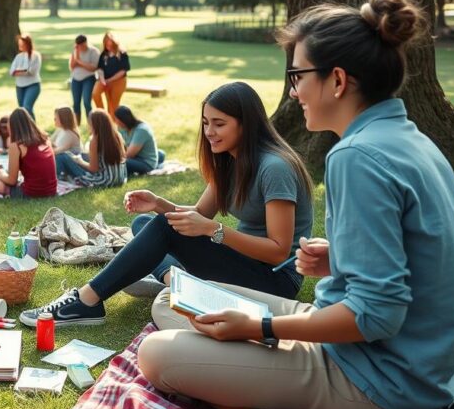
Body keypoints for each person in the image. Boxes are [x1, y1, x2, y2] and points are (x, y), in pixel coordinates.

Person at [135, 0, 454, 409]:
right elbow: (420, 258)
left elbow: (376, 317)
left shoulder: (358, 157)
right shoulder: (411, 139)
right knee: (174, 299)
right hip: (383, 349)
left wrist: (260, 328)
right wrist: (338, 258)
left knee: (156, 355)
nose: (293, 92)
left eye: (297, 76)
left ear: (336, 80)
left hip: (382, 378)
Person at [21, 81, 314, 327]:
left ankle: (87, 301)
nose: (209, 131)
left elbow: (277, 252)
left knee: (161, 230)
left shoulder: (275, 168)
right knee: (145, 223)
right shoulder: (231, 160)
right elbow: (198, 216)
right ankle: (174, 278)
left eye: (219, 124)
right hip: (245, 263)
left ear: (246, 125)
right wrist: (159, 203)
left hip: (274, 281)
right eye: (206, 123)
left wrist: (214, 230)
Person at [0, 108, 57, 198]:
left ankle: (8, 192)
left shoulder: (16, 146)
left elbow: (11, 181)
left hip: (31, 193)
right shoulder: (45, 139)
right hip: (52, 190)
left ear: (12, 127)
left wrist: (0, 174)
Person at [54, 110, 127, 188]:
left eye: (89, 124)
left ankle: (59, 180)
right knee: (80, 155)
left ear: (94, 124)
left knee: (62, 156)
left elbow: (93, 169)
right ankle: (62, 177)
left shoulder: (95, 140)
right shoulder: (117, 135)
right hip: (119, 179)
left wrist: (80, 161)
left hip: (102, 181)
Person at [113, 105, 162, 175]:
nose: (115, 122)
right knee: (118, 161)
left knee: (120, 162)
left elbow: (129, 155)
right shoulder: (122, 128)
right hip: (136, 158)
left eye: (116, 120)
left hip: (146, 163)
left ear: (123, 120)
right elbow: (118, 146)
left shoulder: (141, 130)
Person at [92, 31, 130, 113]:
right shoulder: (104, 54)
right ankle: (103, 115)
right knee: (95, 94)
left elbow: (123, 71)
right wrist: (102, 79)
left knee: (112, 106)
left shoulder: (122, 53)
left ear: (114, 43)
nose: (108, 47)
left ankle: (112, 123)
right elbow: (100, 68)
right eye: (106, 45)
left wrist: (110, 80)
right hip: (104, 81)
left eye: (110, 45)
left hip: (118, 81)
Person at [69, 34, 101, 124]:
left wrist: (79, 61)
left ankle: (91, 124)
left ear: (86, 43)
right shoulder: (75, 51)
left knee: (87, 102)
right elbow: (72, 66)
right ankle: (76, 125)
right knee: (76, 103)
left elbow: (93, 68)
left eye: (82, 45)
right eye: (78, 46)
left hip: (89, 78)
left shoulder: (94, 51)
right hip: (76, 78)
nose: (81, 47)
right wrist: (76, 58)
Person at [10, 34, 42, 119]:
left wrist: (20, 71)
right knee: (22, 111)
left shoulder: (35, 56)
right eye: (19, 44)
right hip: (20, 86)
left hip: (33, 85)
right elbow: (12, 71)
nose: (21, 46)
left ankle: (34, 130)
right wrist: (24, 71)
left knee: (27, 107)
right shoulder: (18, 57)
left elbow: (32, 71)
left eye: (23, 45)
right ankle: (25, 130)